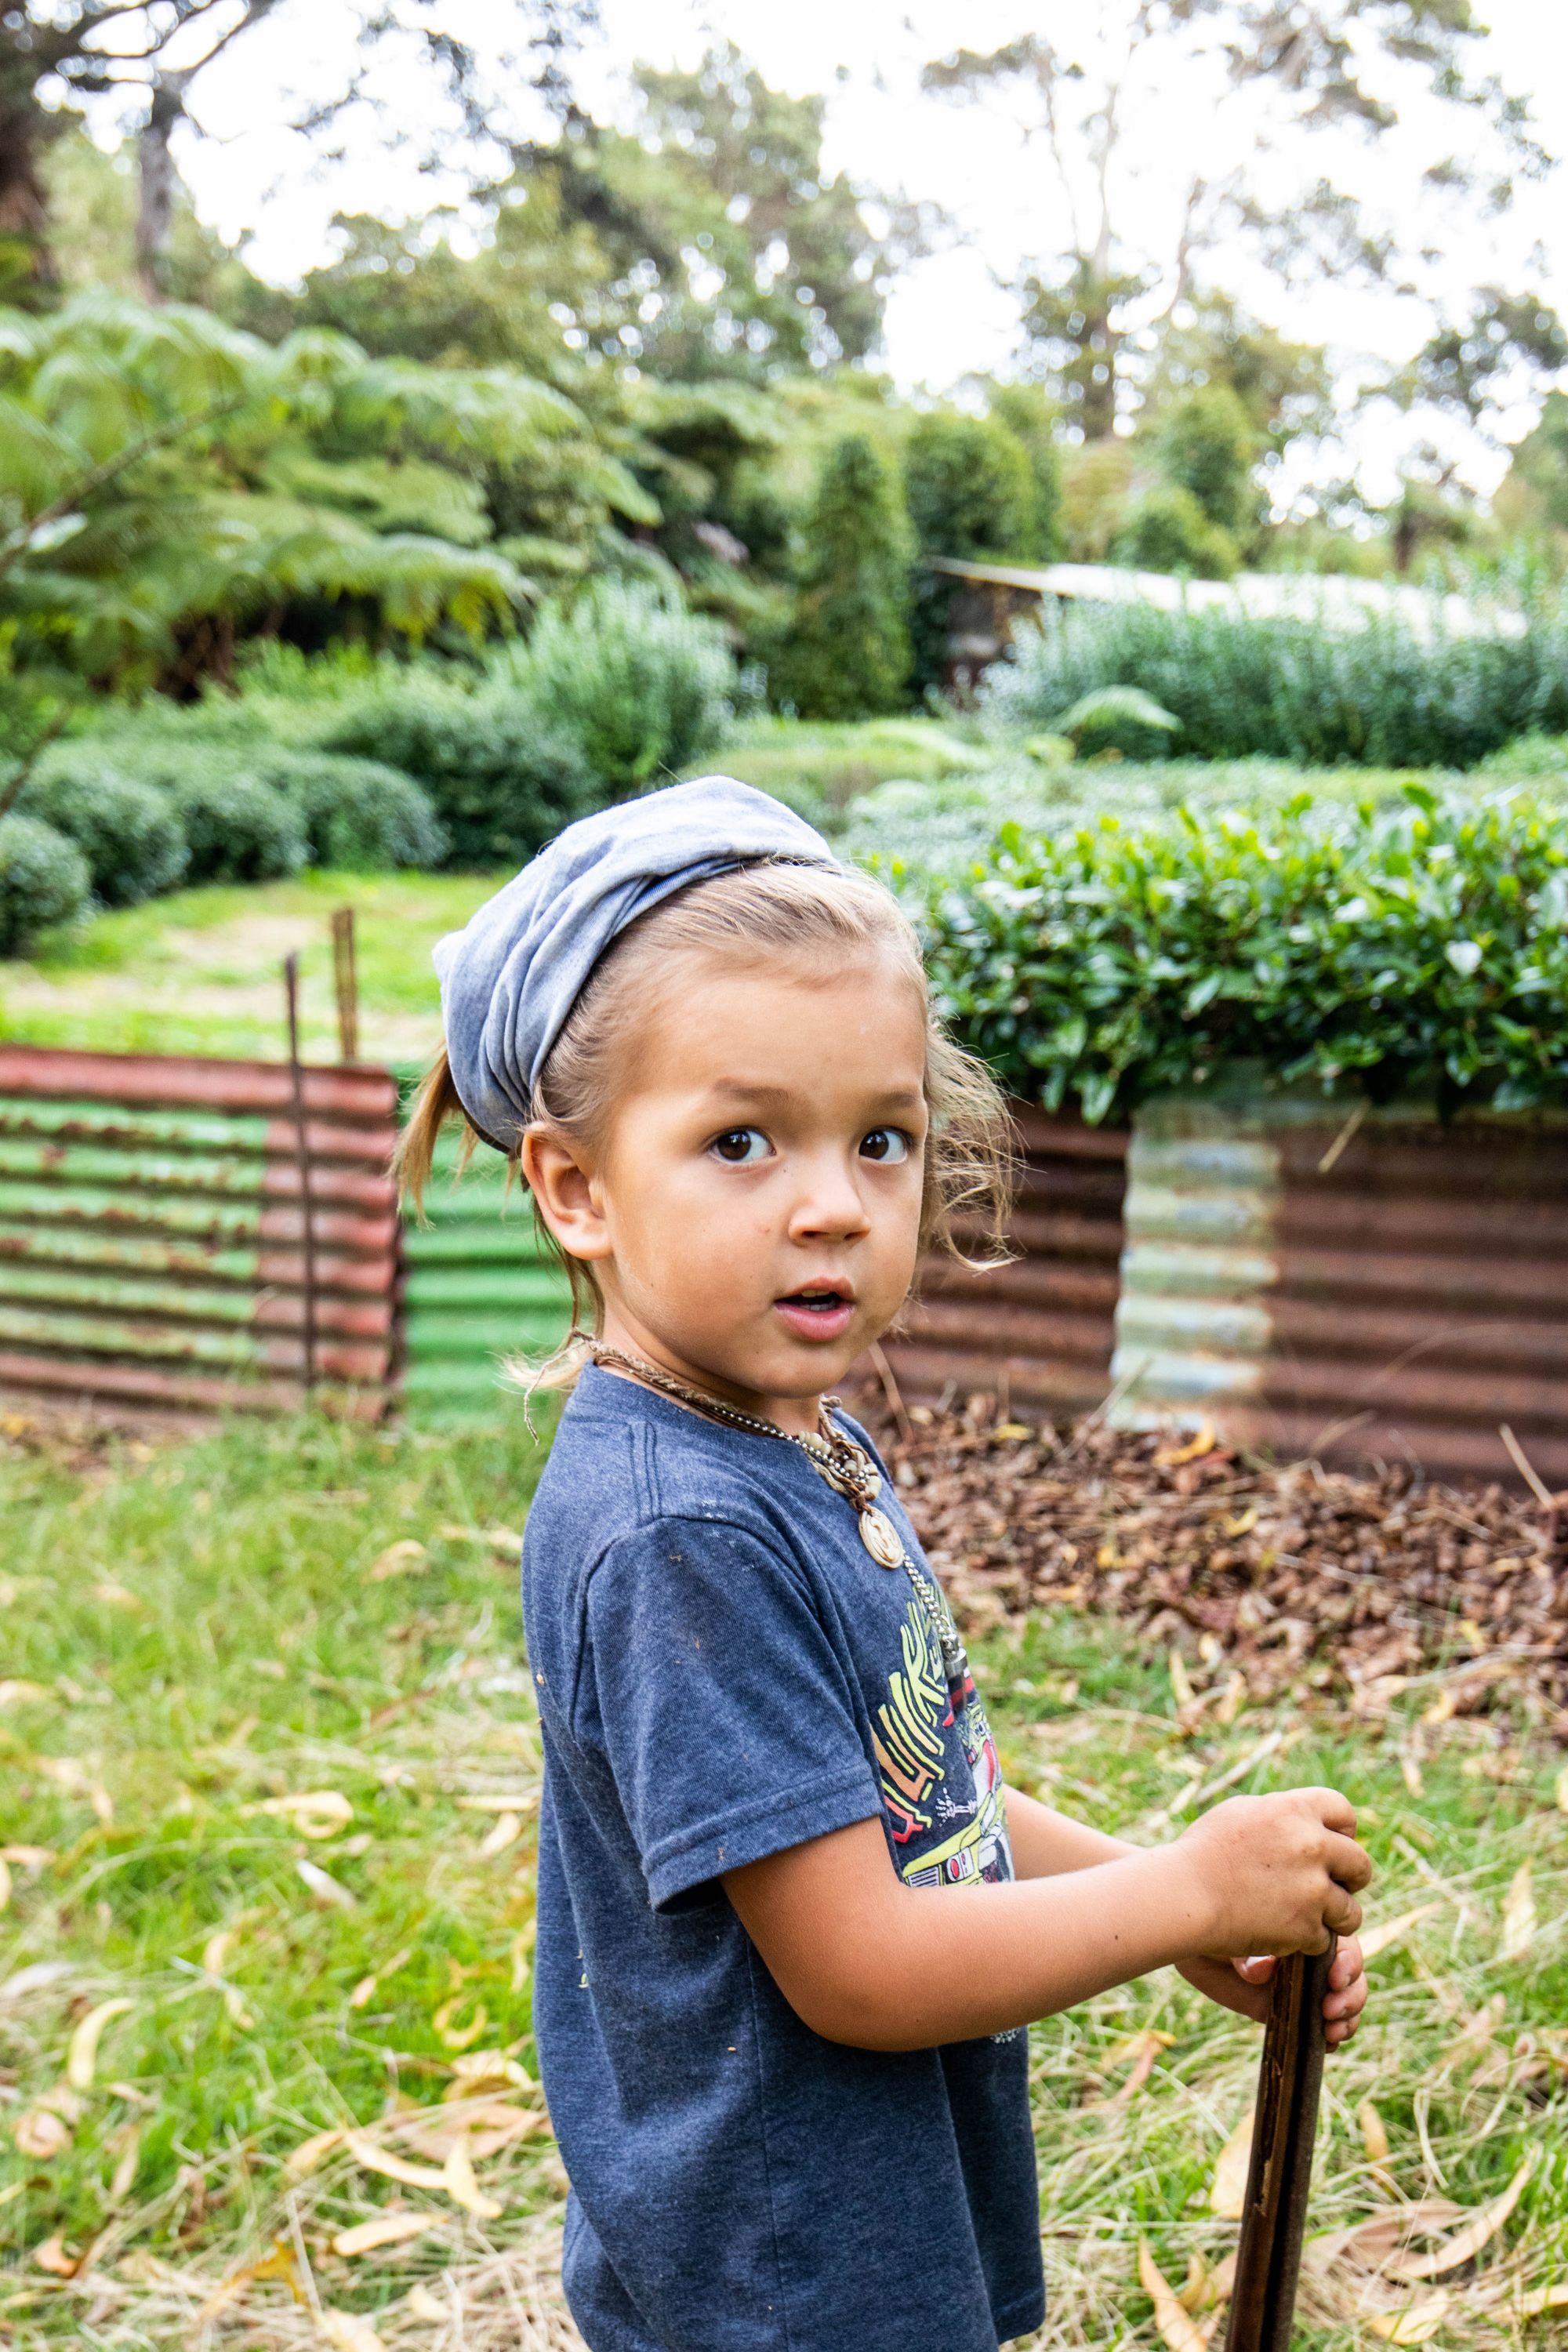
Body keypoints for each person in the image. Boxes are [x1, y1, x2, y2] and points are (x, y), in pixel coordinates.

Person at [398, 776, 1371, 2352]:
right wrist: (1185, 1885)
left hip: (849, 2233)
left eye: (881, 1137)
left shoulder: (783, 1435)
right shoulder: (678, 1531)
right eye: (739, 1140)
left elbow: (924, 1802)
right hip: (781, 2276)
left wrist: (1165, 1894)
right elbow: (856, 1963)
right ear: (576, 1188)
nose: (833, 1205)